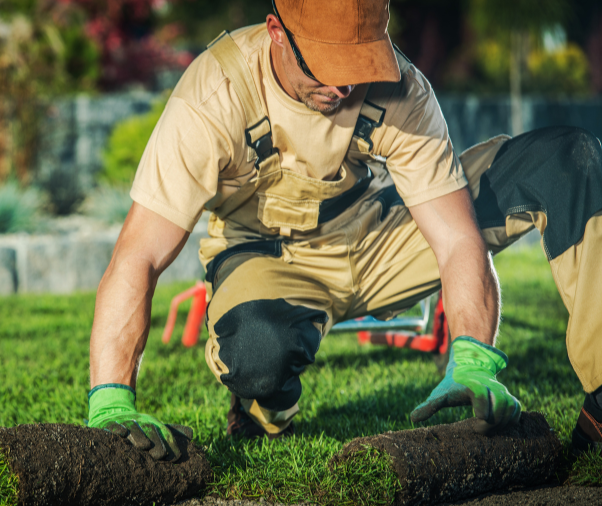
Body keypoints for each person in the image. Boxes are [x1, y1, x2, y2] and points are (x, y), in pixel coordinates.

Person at [85, 0, 602, 462]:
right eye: (328, 67)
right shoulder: (214, 95)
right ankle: (266, 408)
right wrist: (111, 397)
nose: (342, 87)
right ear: (276, 32)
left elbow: (456, 239)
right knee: (259, 354)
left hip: (379, 233)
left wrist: (471, 357)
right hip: (269, 257)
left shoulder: (403, 88)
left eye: (358, 66)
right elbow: (140, 255)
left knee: (567, 159)